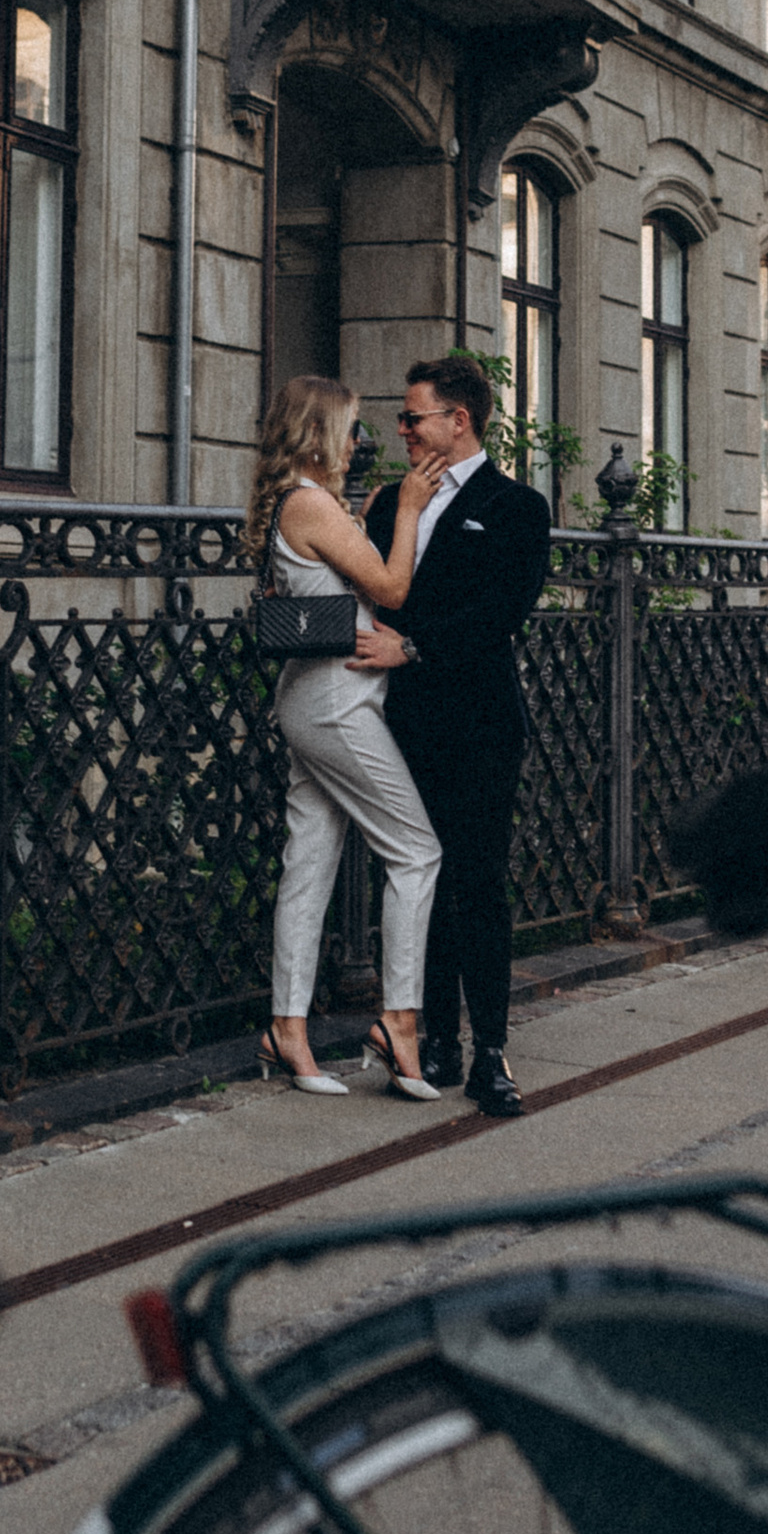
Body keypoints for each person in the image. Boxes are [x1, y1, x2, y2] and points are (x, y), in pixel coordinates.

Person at [353, 354, 553, 1119]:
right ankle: (436, 1039)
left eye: (413, 417)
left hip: (480, 722)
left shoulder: (515, 505)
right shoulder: (390, 503)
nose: (402, 429)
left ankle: (491, 1051)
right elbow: (372, 590)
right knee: (421, 880)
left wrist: (413, 646)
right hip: (402, 721)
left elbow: (502, 610)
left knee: (480, 882)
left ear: (457, 419)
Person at [244, 376, 448, 1097]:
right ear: (319, 433)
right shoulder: (309, 504)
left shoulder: (304, 502)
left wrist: (363, 519)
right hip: (337, 702)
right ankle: (400, 1022)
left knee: (310, 861)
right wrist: (410, 510)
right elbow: (391, 590)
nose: (361, 443)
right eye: (353, 429)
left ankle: (287, 1029)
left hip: (315, 696)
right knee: (417, 852)